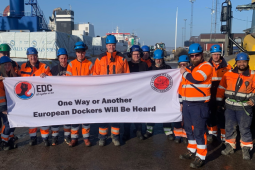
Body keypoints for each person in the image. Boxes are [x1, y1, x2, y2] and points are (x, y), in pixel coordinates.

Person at [179, 43, 213, 168]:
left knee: (199, 131)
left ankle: (201, 156)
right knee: (189, 129)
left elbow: (197, 78)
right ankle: (192, 150)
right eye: (192, 55)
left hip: (199, 105)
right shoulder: (188, 68)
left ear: (201, 55)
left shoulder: (206, 66)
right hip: (188, 104)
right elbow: (183, 87)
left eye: (196, 55)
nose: (194, 57)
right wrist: (182, 102)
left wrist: (184, 73)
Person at [93, 34, 130, 146]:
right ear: (106, 46)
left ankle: (115, 137)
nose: (111, 47)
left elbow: (127, 76)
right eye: (109, 45)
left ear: (115, 45)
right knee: (103, 115)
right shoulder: (100, 59)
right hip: (103, 93)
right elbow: (95, 75)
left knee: (115, 115)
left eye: (113, 45)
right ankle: (102, 137)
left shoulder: (122, 58)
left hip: (117, 93)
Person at [217, 53, 255, 160]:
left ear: (247, 62)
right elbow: (221, 88)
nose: (241, 64)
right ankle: (230, 146)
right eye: (239, 62)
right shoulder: (228, 74)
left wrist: (253, 99)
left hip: (244, 108)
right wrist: (219, 102)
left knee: (245, 129)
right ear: (236, 63)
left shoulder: (252, 74)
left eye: (244, 62)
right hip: (229, 107)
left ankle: (246, 149)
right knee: (229, 127)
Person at [18, 47, 52, 146]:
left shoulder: (44, 67)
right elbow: (16, 79)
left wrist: (46, 77)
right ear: (28, 57)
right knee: (32, 119)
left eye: (35, 55)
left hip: (42, 98)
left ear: (37, 56)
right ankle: (33, 138)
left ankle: (45, 138)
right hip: (29, 99)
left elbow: (52, 80)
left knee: (43, 118)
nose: (33, 58)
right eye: (31, 56)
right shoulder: (23, 67)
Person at [66, 41, 93, 147]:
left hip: (86, 95)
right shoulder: (71, 64)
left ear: (85, 53)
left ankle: (86, 138)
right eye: (78, 52)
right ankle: (74, 138)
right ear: (76, 53)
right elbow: (68, 80)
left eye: (82, 52)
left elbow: (93, 80)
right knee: (75, 118)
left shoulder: (90, 64)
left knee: (86, 117)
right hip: (74, 95)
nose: (80, 54)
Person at [144, 49, 174, 140]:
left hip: (165, 96)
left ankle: (168, 131)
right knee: (151, 113)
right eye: (157, 59)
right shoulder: (150, 69)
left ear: (162, 59)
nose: (158, 60)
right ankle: (149, 130)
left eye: (160, 59)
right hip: (153, 96)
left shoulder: (168, 68)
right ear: (154, 59)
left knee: (166, 113)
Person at [207, 45, 232, 143]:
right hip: (210, 95)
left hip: (223, 97)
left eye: (218, 54)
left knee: (223, 116)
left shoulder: (228, 66)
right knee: (210, 115)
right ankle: (212, 135)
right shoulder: (206, 66)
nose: (216, 56)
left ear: (221, 54)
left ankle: (224, 137)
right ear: (211, 55)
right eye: (214, 54)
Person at [122, 45, 148, 141]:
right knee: (127, 114)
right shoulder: (126, 64)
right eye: (134, 54)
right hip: (128, 93)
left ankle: (138, 131)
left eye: (138, 54)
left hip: (140, 94)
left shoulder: (144, 65)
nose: (136, 56)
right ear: (131, 54)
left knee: (138, 113)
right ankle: (126, 132)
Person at [50, 48, 69, 146]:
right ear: (58, 58)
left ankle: (67, 136)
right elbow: (47, 82)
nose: (63, 60)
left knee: (67, 117)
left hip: (69, 97)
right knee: (56, 118)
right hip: (56, 97)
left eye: (65, 58)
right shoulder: (53, 69)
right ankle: (54, 137)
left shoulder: (71, 67)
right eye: (61, 58)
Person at [0, 56, 17, 150]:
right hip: (2, 105)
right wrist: (3, 108)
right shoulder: (0, 77)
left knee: (13, 122)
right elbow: (1, 94)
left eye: (9, 64)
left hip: (11, 104)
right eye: (5, 65)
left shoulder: (10, 75)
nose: (7, 66)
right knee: (7, 123)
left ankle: (10, 139)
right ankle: (4, 142)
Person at [174, 55, 189, 144]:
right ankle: (178, 135)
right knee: (178, 118)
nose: (183, 66)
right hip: (177, 98)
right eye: (181, 64)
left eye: (185, 64)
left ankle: (186, 136)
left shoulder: (190, 74)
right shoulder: (175, 74)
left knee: (187, 119)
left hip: (187, 98)